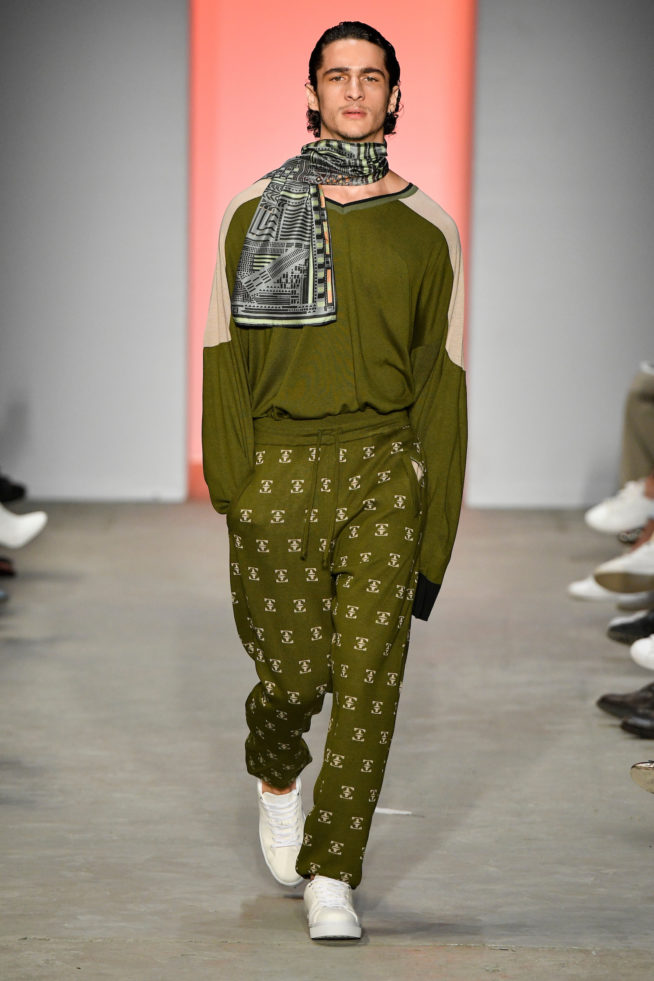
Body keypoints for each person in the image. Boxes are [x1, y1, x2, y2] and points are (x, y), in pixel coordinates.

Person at [202, 21, 467, 941]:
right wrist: (234, 489)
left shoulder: (429, 229)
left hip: (384, 468)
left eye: (371, 76)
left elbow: (442, 383)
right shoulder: (251, 211)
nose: (354, 90)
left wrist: (435, 531)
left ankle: (333, 871)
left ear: (396, 95)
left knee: (368, 681)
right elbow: (224, 358)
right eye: (337, 75)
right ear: (311, 93)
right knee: (294, 676)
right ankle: (277, 770)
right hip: (276, 467)